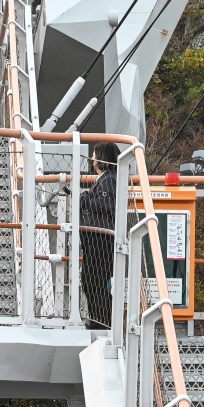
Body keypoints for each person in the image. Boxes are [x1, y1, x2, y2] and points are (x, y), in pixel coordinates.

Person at [79, 141, 121, 329]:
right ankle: (99, 319)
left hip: (101, 239)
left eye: (95, 154)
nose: (92, 158)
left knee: (94, 280)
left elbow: (106, 205)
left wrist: (85, 198)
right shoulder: (106, 179)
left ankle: (102, 322)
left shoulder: (109, 179)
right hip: (96, 239)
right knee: (92, 280)